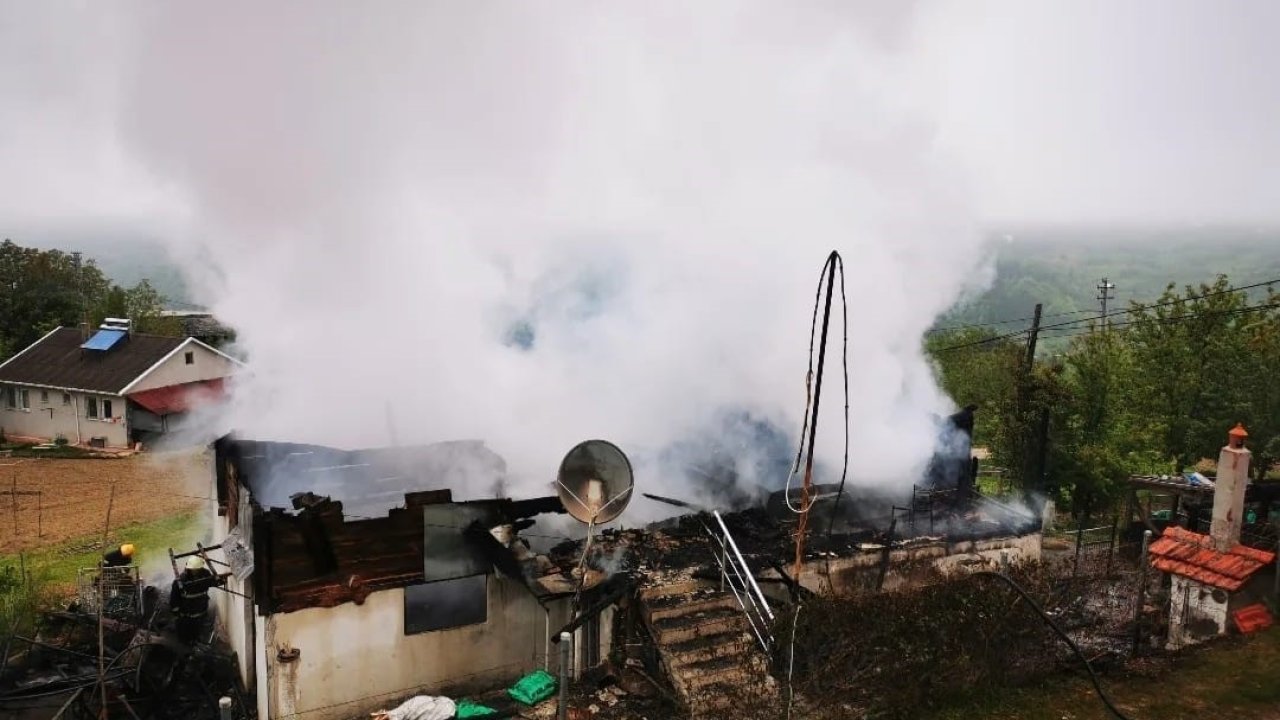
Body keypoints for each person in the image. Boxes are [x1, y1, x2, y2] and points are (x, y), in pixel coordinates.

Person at [169, 555, 218, 645]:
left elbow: (212, 582)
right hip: (186, 617)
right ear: (188, 569)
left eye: (198, 569)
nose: (196, 572)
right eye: (194, 569)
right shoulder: (180, 581)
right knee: (185, 640)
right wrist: (177, 614)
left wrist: (219, 581)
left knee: (201, 638)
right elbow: (174, 601)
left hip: (202, 614)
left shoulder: (205, 574)